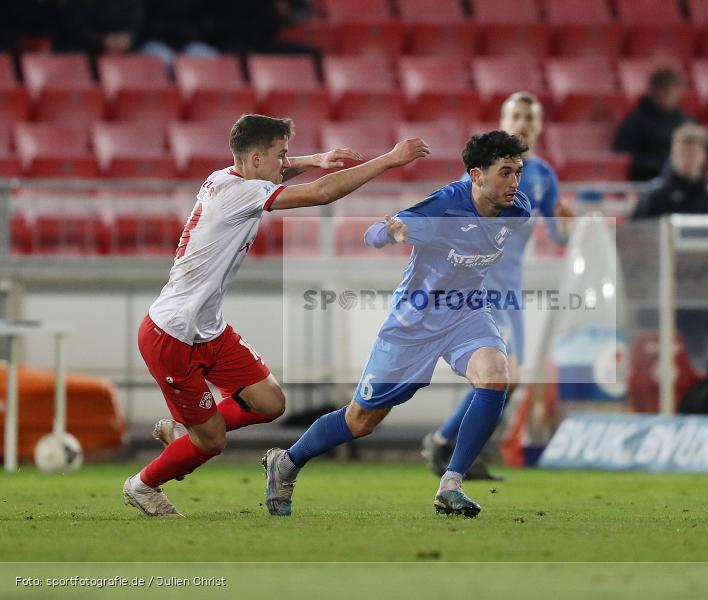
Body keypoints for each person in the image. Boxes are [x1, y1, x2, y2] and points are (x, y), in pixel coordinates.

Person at [122, 114, 429, 517]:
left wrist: (313, 157)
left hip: (208, 329)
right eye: (281, 155)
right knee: (212, 442)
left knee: (269, 402)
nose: (286, 162)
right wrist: (388, 159)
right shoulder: (238, 193)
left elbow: (277, 168)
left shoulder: (226, 176)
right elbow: (319, 194)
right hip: (171, 336)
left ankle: (184, 430)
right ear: (254, 160)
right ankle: (143, 485)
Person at [262, 131, 532, 518]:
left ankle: (451, 484)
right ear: (476, 175)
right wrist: (391, 231)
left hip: (467, 312)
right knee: (360, 421)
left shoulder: (517, 211)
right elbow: (374, 233)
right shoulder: (444, 206)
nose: (514, 183)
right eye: (505, 173)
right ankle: (286, 462)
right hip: (414, 322)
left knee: (495, 375)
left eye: (518, 172)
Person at [421, 92, 573, 481]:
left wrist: (566, 225)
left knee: (511, 376)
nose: (523, 123)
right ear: (505, 120)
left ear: (539, 127)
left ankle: (445, 442)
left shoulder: (543, 176)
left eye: (530, 117)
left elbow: (557, 236)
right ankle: (451, 449)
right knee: (502, 372)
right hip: (481, 285)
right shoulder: (482, 171)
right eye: (517, 115)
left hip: (512, 291)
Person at [631, 123, 708, 367]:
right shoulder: (654, 198)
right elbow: (634, 245)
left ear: (703, 156)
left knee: (696, 366)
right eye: (681, 153)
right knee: (654, 368)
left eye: (692, 153)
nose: (686, 160)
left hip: (700, 303)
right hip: (658, 300)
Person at [613, 68, 689, 181]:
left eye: (672, 90)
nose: (667, 95)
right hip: (644, 183)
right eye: (663, 90)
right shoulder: (635, 122)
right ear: (652, 91)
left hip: (682, 183)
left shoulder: (686, 122)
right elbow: (625, 159)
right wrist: (664, 163)